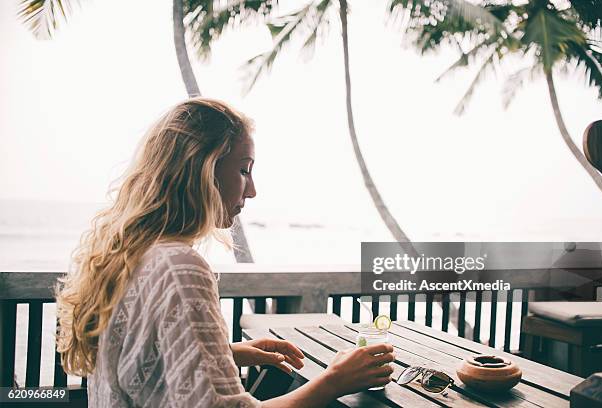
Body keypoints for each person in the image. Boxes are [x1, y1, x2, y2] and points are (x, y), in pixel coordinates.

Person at [55, 98, 395, 407]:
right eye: (244, 170)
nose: (253, 190)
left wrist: (225, 353)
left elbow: (138, 364)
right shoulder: (178, 267)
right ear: (202, 169)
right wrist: (336, 380)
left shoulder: (132, 255)